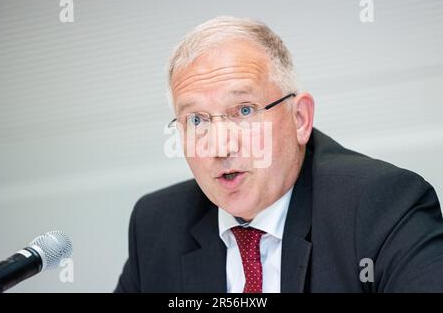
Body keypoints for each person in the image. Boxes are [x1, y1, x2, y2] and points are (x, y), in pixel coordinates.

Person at [115, 16, 443, 292]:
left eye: (244, 110)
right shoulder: (155, 225)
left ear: (299, 119)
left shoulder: (380, 205)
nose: (219, 146)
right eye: (196, 120)